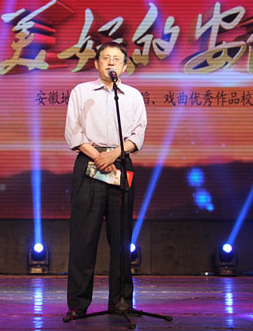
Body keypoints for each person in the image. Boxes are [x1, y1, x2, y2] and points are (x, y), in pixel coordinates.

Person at [64, 41, 147, 317]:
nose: (111, 63)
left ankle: (121, 301)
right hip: (89, 164)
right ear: (96, 63)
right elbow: (73, 133)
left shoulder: (132, 96)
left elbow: (137, 134)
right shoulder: (81, 92)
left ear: (124, 66)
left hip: (120, 164)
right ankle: (78, 305)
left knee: (121, 238)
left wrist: (113, 155)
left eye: (117, 59)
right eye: (106, 58)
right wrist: (99, 157)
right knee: (83, 237)